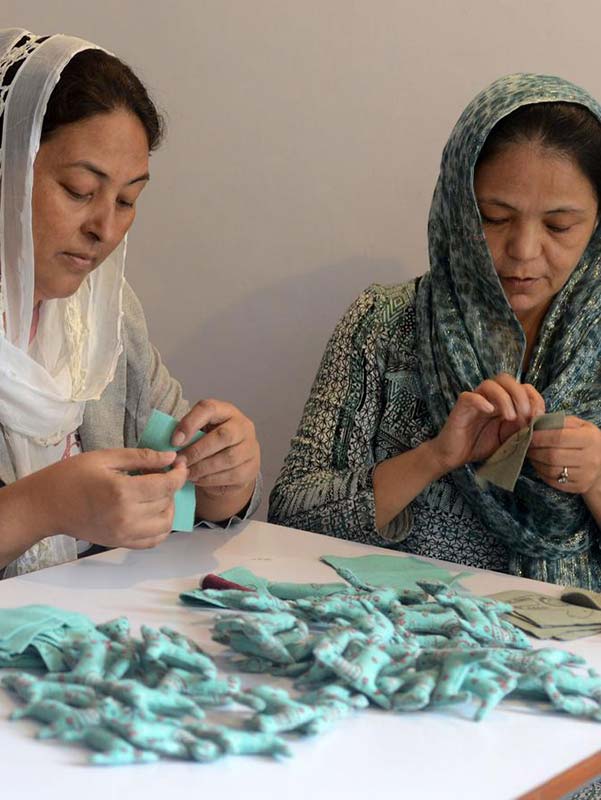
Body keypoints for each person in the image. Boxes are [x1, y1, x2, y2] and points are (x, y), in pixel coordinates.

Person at [269, 73, 601, 591]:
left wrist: (597, 478)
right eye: (494, 217)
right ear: (456, 205)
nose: (524, 250)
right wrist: (436, 457)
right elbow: (293, 514)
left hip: (568, 657)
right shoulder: (383, 322)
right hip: (391, 637)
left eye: (559, 226)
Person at [0, 29, 261, 578]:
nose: (105, 228)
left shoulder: (101, 316)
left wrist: (223, 481)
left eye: (127, 200)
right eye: (77, 190)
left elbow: (174, 477)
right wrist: (41, 507)